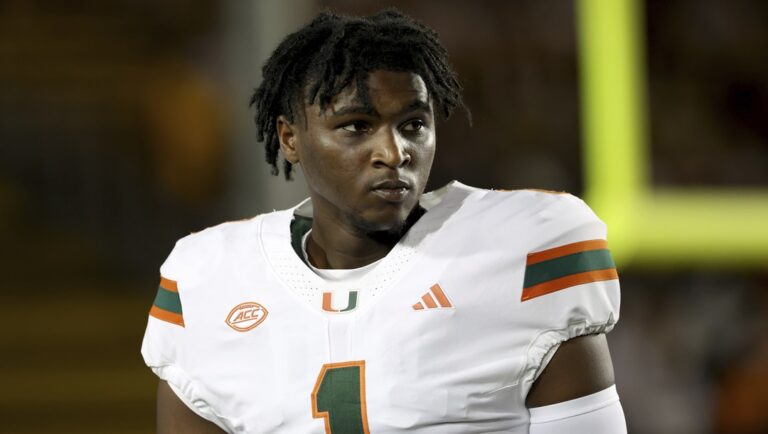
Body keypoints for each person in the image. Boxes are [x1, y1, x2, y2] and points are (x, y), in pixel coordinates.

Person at [141, 9, 626, 434]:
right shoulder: (209, 279)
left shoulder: (525, 245)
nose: (394, 153)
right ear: (290, 138)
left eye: (413, 124)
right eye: (358, 126)